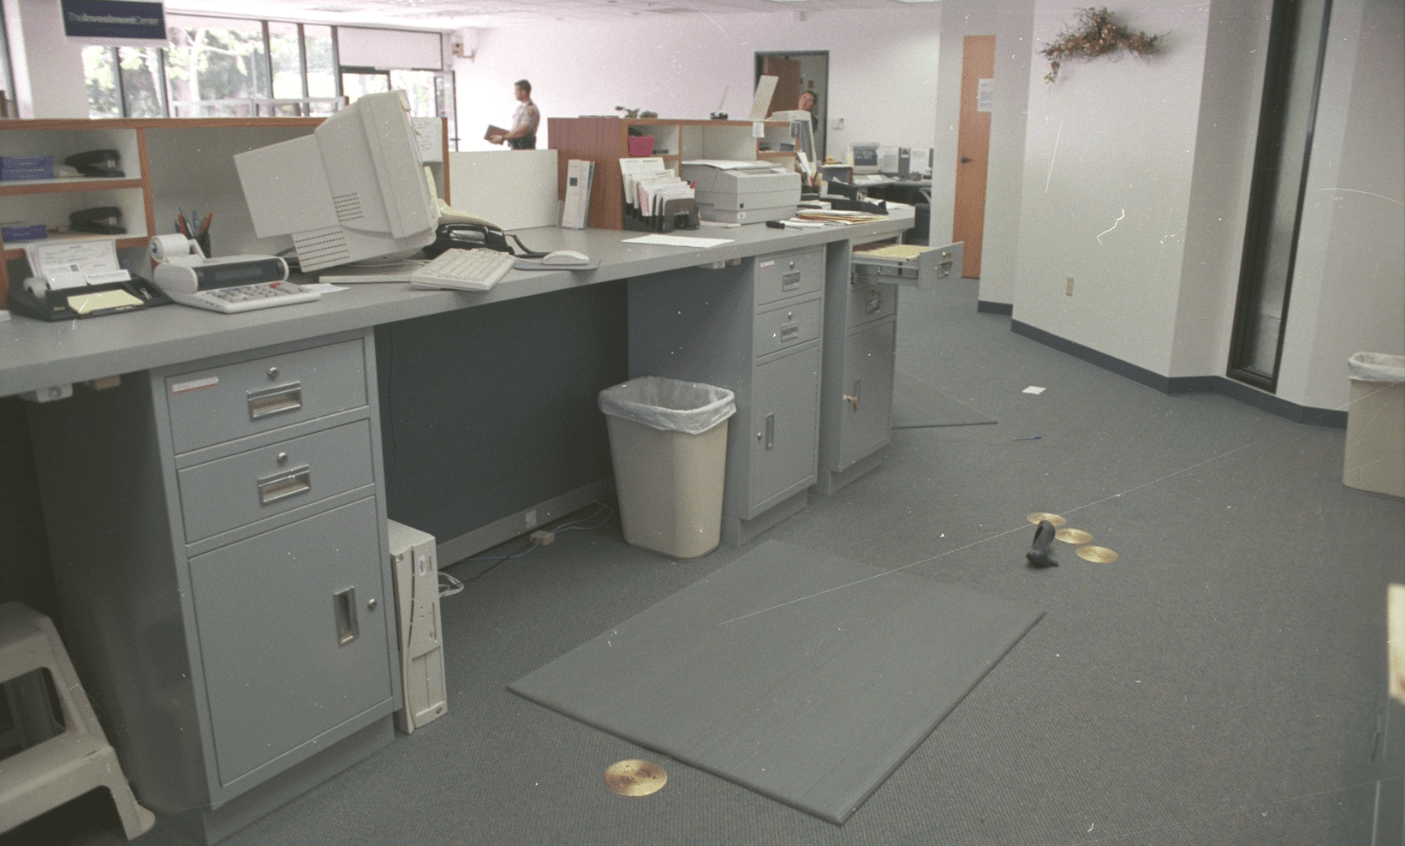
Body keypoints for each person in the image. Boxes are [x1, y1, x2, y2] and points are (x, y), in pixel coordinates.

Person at [489, 80, 540, 150]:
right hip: (516, 146)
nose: (514, 93)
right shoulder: (519, 108)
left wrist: (503, 137)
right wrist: (503, 136)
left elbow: (524, 129)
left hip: (524, 147)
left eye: (516, 90)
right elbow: (516, 129)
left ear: (523, 92)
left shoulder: (530, 109)